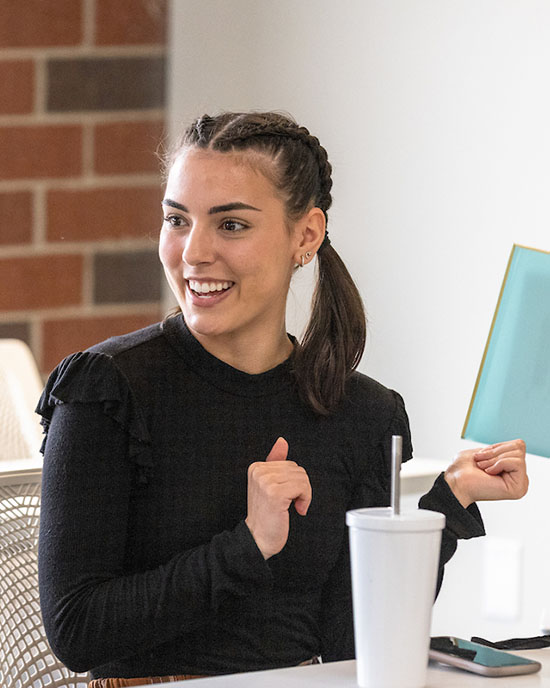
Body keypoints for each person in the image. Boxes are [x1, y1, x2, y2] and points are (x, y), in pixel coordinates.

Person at [36, 111, 529, 687]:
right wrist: (249, 546)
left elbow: (350, 640)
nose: (193, 252)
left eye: (232, 226)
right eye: (177, 220)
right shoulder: (106, 389)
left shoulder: (365, 415)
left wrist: (451, 501)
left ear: (306, 235)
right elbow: (77, 632)